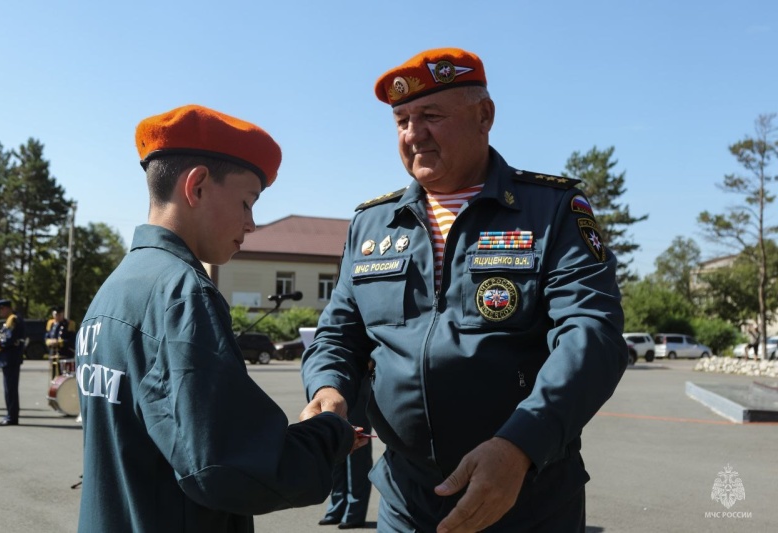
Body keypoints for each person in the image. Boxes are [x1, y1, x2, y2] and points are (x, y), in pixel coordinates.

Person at [300, 48, 628, 532]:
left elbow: (591, 334)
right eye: (402, 120)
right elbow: (339, 333)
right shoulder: (371, 224)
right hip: (407, 498)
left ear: (484, 117)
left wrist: (522, 444)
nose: (413, 134)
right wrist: (327, 388)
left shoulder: (551, 210)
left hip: (525, 491)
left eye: (431, 115)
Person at [76, 104, 367, 533]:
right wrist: (329, 435)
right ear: (197, 186)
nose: (250, 224)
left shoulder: (115, 288)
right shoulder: (182, 294)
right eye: (247, 203)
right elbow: (224, 465)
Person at [317, 376, 373, 529]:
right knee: (335, 450)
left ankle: (354, 512)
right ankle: (337, 508)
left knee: (357, 452)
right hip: (330, 382)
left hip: (356, 379)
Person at [0, 299, 25, 426]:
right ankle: (10, 415)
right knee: (9, 389)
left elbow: (9, 340)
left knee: (10, 389)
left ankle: (12, 417)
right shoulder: (11, 320)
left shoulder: (13, 320)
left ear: (7, 308)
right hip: (9, 359)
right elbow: (5, 337)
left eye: (1, 309)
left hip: (11, 359)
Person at [45, 304, 76, 379]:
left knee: (63, 377)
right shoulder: (51, 324)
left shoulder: (69, 324)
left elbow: (71, 340)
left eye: (59, 315)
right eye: (55, 314)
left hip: (64, 354)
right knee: (53, 377)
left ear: (62, 314)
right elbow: (47, 336)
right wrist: (49, 341)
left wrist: (59, 342)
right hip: (53, 354)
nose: (57, 317)